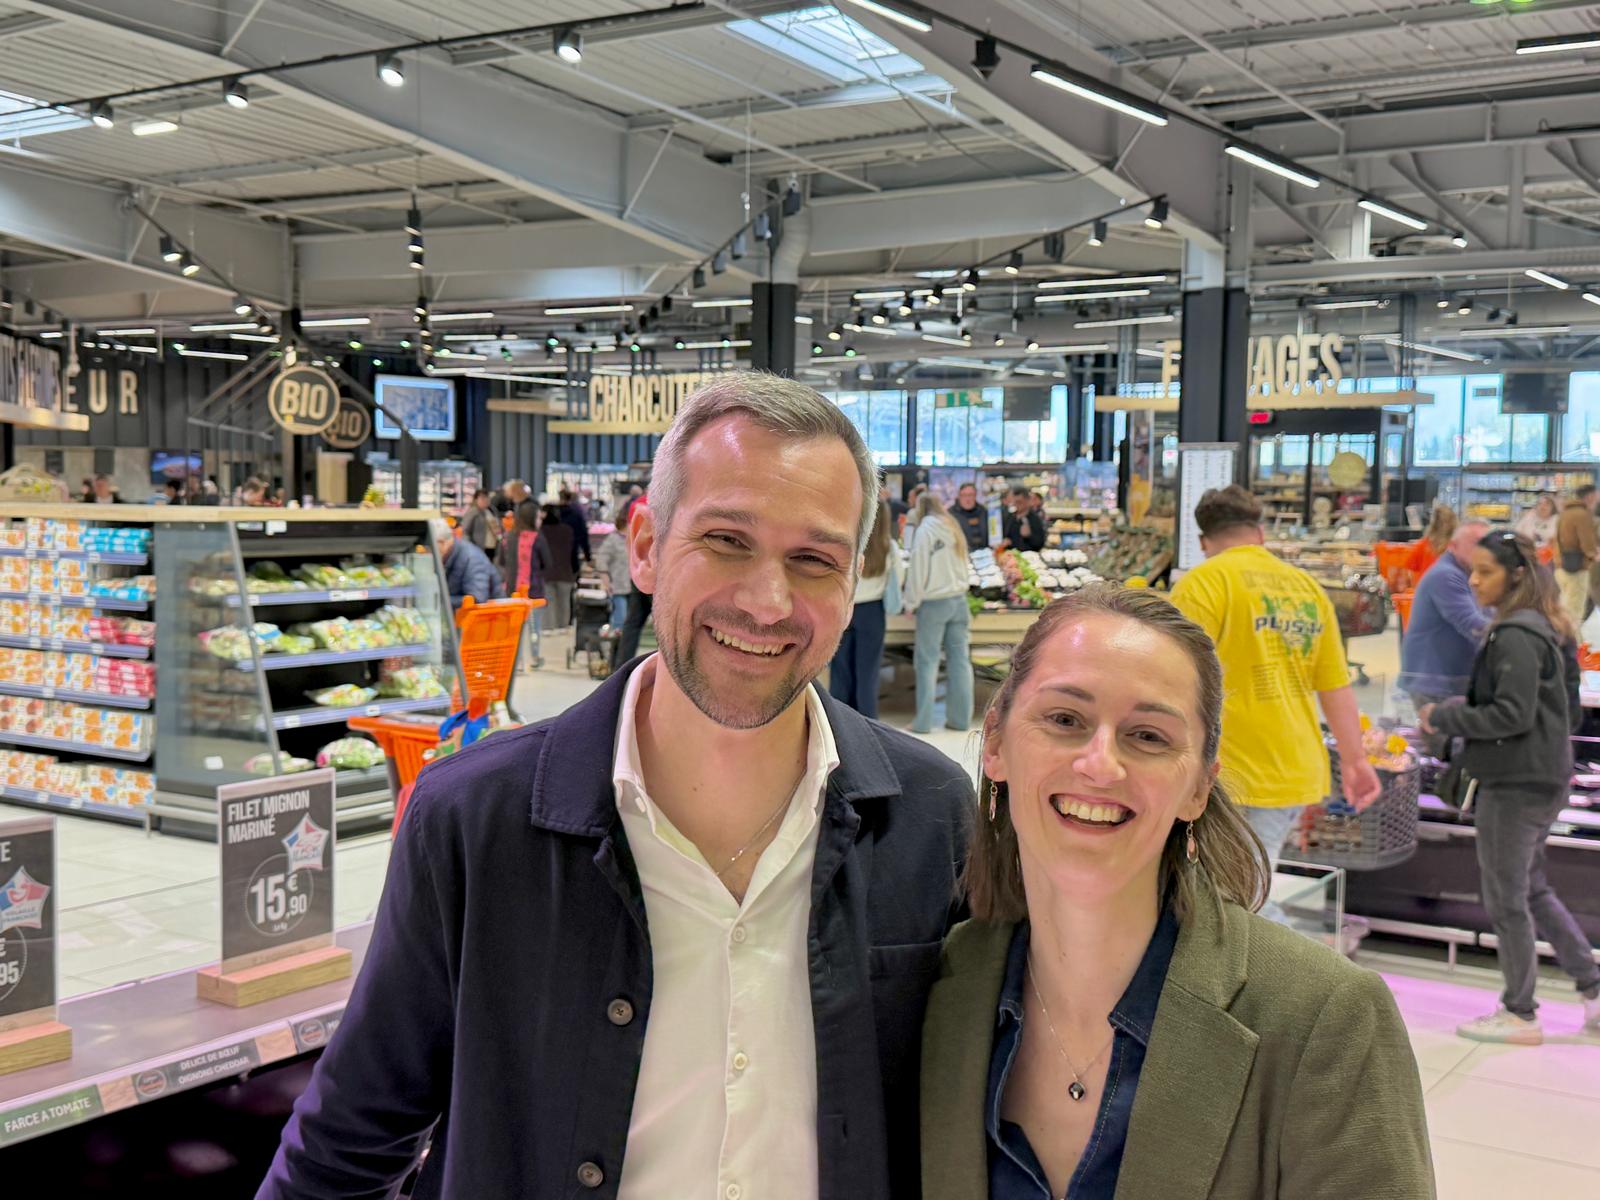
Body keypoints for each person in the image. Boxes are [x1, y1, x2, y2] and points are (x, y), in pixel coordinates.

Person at [259, 372, 973, 1200]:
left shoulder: (930, 815)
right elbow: (350, 1142)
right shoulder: (473, 820)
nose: (768, 602)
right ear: (643, 545)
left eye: (814, 560)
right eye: (726, 541)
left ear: (854, 584)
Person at [920, 586, 1436, 1200]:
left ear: (1198, 787)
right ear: (998, 743)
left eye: (1148, 736)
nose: (1100, 764)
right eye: (1065, 720)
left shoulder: (1325, 1018)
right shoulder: (944, 988)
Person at [1421, 531, 1600, 1046]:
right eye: (1472, 570)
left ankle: (1520, 1012)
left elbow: (1510, 713)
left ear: (1516, 575)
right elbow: (1565, 710)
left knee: (1506, 899)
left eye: (1485, 572)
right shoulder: (1548, 626)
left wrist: (1446, 713)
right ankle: (1591, 987)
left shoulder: (1515, 634)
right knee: (1532, 889)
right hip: (1545, 777)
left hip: (1515, 784)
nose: (1473, 581)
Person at [1170, 485, 1380, 882]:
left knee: (1237, 901)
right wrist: (1355, 761)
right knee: (1236, 890)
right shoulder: (1307, 589)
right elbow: (1335, 685)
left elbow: (1172, 679)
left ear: (1202, 541)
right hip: (1294, 767)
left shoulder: (1201, 585)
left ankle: (1299, 947)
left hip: (1229, 772)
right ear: (1260, 533)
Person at [1400, 520, 1493, 717]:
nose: (1483, 551)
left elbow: (1492, 615)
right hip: (1434, 685)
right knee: (1441, 745)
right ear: (1453, 546)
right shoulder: (1446, 575)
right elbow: (1474, 627)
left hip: (1450, 681)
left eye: (1487, 544)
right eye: (1476, 543)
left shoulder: (1470, 574)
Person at [904, 492, 973, 735]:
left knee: (927, 662)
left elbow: (918, 568)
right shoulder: (953, 527)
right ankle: (960, 719)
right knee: (960, 661)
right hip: (959, 600)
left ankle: (923, 722)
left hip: (934, 604)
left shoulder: (925, 530)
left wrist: (911, 602)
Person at [828, 499, 902, 718]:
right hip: (873, 613)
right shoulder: (889, 548)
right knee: (867, 674)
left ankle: (838, 723)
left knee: (840, 672)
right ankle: (867, 723)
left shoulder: (849, 543)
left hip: (846, 608)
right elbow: (899, 579)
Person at [507, 499, 553, 669]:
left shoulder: (510, 536)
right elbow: (548, 563)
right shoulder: (538, 538)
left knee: (515, 630)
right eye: (538, 518)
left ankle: (516, 662)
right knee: (535, 628)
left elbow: (503, 560)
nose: (540, 521)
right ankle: (534, 657)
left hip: (512, 590)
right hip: (534, 589)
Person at [433, 518, 504, 609]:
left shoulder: (472, 559)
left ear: (442, 542)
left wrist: (438, 601)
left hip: (487, 618)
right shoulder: (450, 555)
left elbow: (477, 599)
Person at [1554, 484, 1599, 627]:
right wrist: (1593, 555)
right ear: (1590, 497)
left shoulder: (1566, 512)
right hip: (1577, 567)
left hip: (1563, 565)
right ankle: (1571, 642)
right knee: (1574, 610)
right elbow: (1587, 541)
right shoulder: (1582, 514)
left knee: (1568, 605)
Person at [1397, 505, 1457, 590]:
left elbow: (1408, 569)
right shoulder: (1455, 547)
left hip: (1423, 592)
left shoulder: (1424, 544)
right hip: (1447, 593)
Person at [540, 503, 577, 629]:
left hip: (546, 573)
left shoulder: (540, 532)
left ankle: (550, 629)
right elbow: (573, 552)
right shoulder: (568, 530)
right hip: (565, 572)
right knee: (564, 604)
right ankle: (563, 628)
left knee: (549, 604)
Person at [594, 521, 633, 631]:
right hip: (618, 586)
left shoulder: (634, 538)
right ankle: (615, 642)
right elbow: (601, 560)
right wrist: (606, 581)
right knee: (620, 618)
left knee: (629, 620)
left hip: (635, 588)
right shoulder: (613, 540)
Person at [1000, 487, 1046, 553]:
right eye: (1014, 502)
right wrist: (1006, 541)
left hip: (1029, 558)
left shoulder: (1035, 519)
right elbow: (1005, 536)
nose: (1016, 505)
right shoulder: (1010, 517)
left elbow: (1040, 544)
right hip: (1010, 557)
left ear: (1027, 500)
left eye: (1019, 502)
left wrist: (1029, 536)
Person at [459, 488, 501, 558]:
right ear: (476, 500)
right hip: (479, 547)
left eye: (487, 497)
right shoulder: (473, 512)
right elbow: (465, 531)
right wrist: (470, 547)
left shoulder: (492, 510)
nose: (485, 500)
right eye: (482, 498)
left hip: (492, 546)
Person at [559, 487, 593, 571]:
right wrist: (588, 556)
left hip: (553, 559)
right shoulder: (576, 515)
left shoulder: (553, 516)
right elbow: (583, 537)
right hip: (572, 555)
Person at [952, 482, 989, 552]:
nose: (967, 498)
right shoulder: (951, 515)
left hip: (984, 555)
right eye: (964, 495)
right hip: (961, 555)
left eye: (970, 495)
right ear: (959, 496)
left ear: (975, 496)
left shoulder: (984, 512)